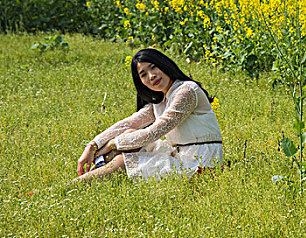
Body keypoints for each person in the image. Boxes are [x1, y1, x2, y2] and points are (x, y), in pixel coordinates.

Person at [74, 48, 223, 183]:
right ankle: (93, 176)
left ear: (164, 64)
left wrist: (112, 144)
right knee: (130, 134)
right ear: (141, 82)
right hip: (179, 156)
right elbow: (129, 123)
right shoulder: (162, 99)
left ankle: (74, 186)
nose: (151, 76)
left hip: (201, 165)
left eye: (153, 67)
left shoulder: (187, 91)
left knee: (123, 161)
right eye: (143, 74)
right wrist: (92, 145)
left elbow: (152, 133)